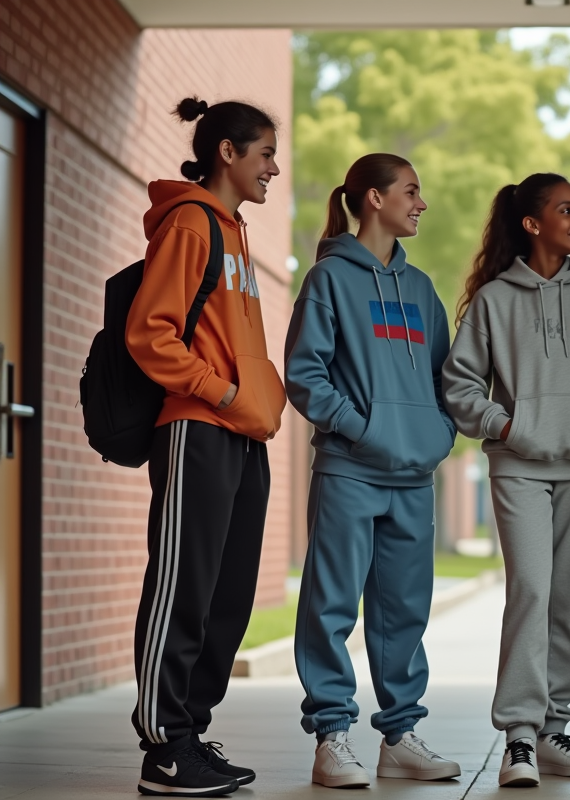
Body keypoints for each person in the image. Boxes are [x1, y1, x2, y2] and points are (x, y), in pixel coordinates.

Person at [126, 96, 286, 797]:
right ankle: (163, 743)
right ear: (228, 152)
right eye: (265, 154)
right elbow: (149, 333)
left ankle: (191, 730)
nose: (273, 169)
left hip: (244, 432)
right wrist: (220, 393)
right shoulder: (191, 224)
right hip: (198, 426)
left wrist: (257, 399)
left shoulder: (237, 233)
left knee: (229, 593)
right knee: (183, 586)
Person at [284, 153, 459, 788]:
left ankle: (400, 735)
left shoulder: (421, 290)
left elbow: (449, 379)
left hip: (413, 476)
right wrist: (363, 429)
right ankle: (332, 737)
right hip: (349, 471)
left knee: (404, 609)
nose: (421, 202)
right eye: (411, 191)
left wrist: (437, 435)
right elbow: (305, 376)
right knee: (331, 605)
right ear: (374, 199)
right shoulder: (329, 278)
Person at [442, 173, 570, 788]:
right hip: (518, 468)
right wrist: (507, 426)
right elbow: (460, 384)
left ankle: (555, 730)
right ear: (532, 223)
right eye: (565, 210)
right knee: (533, 592)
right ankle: (519, 735)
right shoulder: (494, 300)